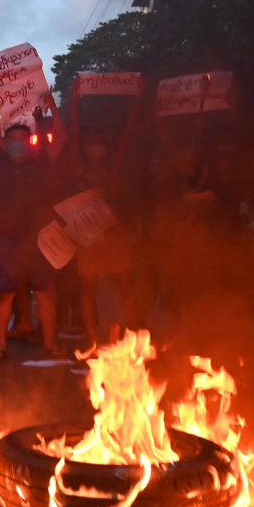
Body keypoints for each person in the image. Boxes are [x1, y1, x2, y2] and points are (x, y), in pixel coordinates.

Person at [0, 82, 70, 359]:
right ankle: (0, 345)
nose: (19, 142)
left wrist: (52, 105)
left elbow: (63, 137)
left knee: (45, 292)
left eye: (24, 138)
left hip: (40, 240)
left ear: (28, 143)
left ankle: (50, 344)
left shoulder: (39, 162)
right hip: (8, 239)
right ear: (7, 145)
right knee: (5, 293)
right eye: (14, 139)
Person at [69, 97, 143, 349]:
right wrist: (75, 98)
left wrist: (136, 99)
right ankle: (90, 339)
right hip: (89, 234)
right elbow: (74, 132)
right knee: (88, 286)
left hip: (114, 231)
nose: (97, 147)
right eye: (92, 143)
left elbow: (127, 133)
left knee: (125, 281)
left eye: (101, 143)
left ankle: (134, 336)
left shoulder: (114, 164)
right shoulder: (78, 167)